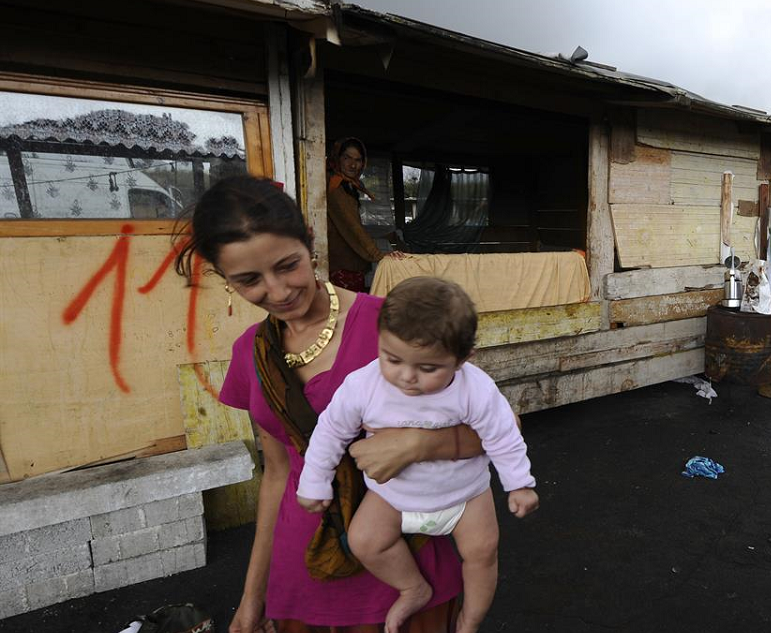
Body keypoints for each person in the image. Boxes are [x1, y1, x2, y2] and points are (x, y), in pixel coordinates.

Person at [173, 176, 484, 633]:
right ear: (225, 279)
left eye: (288, 266)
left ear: (310, 243)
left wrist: (419, 445)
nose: (278, 291)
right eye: (249, 280)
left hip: (404, 564)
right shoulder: (251, 354)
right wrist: (253, 596)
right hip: (302, 572)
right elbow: (278, 475)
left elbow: (500, 428)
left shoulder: (394, 326)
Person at [297, 278, 539, 633]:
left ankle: (470, 620)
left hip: (466, 496)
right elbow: (330, 432)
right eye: (392, 359)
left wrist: (519, 484)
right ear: (380, 341)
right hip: (392, 497)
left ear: (462, 359)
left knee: (483, 553)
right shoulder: (363, 386)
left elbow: (502, 433)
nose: (407, 377)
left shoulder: (475, 388)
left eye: (428, 368)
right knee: (365, 541)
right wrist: (314, 481)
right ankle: (412, 587)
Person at [327, 137, 403, 292]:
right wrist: (379, 255)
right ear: (337, 158)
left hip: (350, 264)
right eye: (347, 158)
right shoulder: (335, 186)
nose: (353, 165)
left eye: (358, 160)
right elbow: (352, 226)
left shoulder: (348, 185)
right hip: (341, 266)